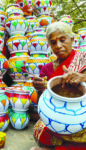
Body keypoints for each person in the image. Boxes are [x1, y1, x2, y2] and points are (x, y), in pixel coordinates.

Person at [31, 22, 86, 150]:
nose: (58, 46)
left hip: (80, 119)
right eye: (53, 42)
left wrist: (83, 78)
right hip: (57, 119)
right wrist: (39, 90)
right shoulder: (47, 69)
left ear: (72, 39)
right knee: (40, 129)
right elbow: (42, 104)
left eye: (62, 40)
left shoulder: (83, 59)